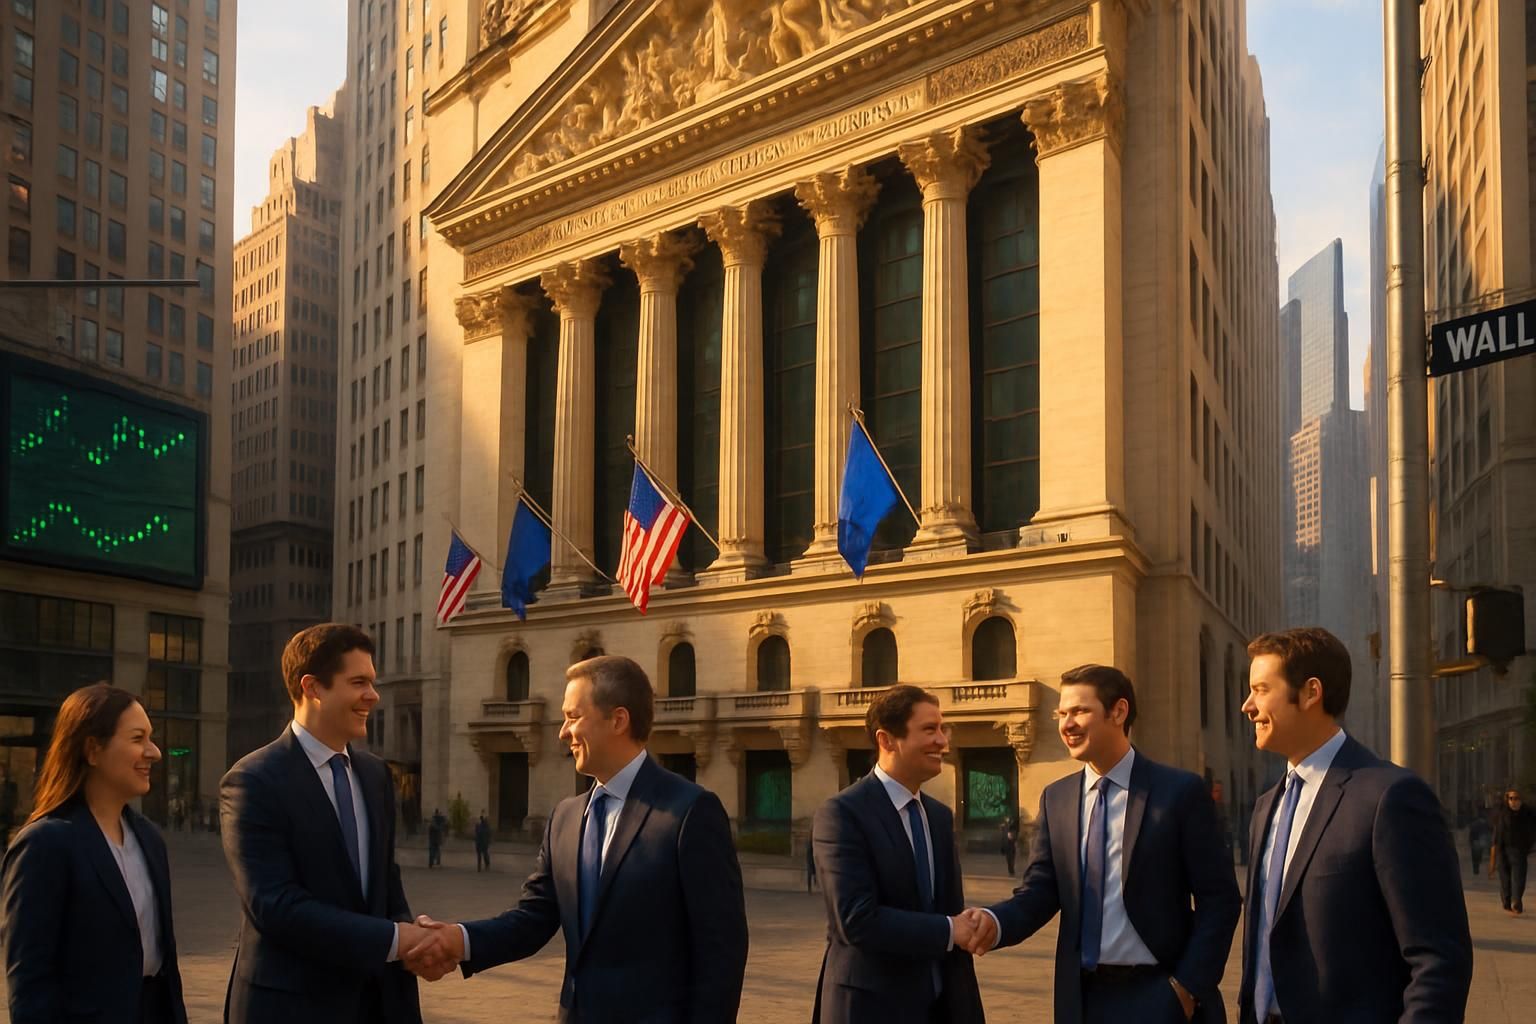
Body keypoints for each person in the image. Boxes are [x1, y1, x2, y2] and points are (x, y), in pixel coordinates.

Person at [406, 655, 748, 1023]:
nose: (562, 732)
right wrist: (458, 939)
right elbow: (533, 918)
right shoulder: (565, 817)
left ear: (618, 719)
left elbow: (722, 951)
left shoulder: (690, 812)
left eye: (572, 716)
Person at [963, 665, 1240, 1024]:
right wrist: (993, 921)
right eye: (1061, 713)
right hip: (1082, 999)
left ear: (1118, 712)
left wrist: (1187, 988)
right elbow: (1041, 892)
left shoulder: (1179, 793)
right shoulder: (1057, 798)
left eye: (1079, 711)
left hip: (1161, 995)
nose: (1067, 724)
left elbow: (1220, 899)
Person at [1236, 628, 1472, 1024]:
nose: (1247, 706)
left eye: (1261, 689)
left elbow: (1438, 960)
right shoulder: (1265, 807)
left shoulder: (1390, 797)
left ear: (1312, 693)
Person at [220, 624, 427, 1024]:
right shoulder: (252, 781)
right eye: (359, 682)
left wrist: (411, 936)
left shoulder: (375, 775)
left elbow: (386, 883)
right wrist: (397, 940)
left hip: (379, 1003)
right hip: (291, 1006)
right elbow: (275, 905)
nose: (374, 695)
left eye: (373, 681)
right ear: (313, 688)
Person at [1, 683, 188, 1023]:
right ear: (93, 749)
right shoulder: (45, 844)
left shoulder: (149, 838)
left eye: (151, 737)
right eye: (137, 739)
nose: (154, 752)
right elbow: (30, 981)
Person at [811, 685, 985, 1024]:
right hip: (870, 1007)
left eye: (942, 729)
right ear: (887, 740)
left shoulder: (938, 816)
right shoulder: (842, 813)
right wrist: (951, 930)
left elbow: (946, 908)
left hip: (940, 1005)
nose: (943, 742)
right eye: (929, 730)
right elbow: (856, 920)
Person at [1491, 786, 1536, 915]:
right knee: (1505, 879)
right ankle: (1506, 901)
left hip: (1519, 851)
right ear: (1507, 799)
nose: (1514, 801)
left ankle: (1516, 901)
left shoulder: (1528, 814)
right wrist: (1493, 860)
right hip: (1502, 851)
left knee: (1519, 877)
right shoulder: (1502, 814)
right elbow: (1496, 835)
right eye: (1511, 798)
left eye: (1517, 798)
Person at [1468, 811, 1492, 877]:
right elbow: (1488, 832)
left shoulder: (1474, 824)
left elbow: (1471, 833)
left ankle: (1475, 870)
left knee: (1474, 857)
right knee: (1479, 854)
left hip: (1475, 841)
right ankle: (1477, 866)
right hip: (1481, 840)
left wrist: (1470, 841)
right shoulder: (1485, 824)